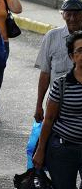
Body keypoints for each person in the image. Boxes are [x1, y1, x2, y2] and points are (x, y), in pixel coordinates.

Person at [33, 31, 82, 188]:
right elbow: (49, 119)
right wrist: (40, 150)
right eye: (80, 51)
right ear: (72, 57)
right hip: (63, 150)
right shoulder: (61, 84)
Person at [34, 0, 82, 122]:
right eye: (68, 14)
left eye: (76, 14)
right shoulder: (52, 36)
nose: (72, 18)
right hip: (56, 103)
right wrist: (39, 105)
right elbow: (45, 74)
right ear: (63, 15)